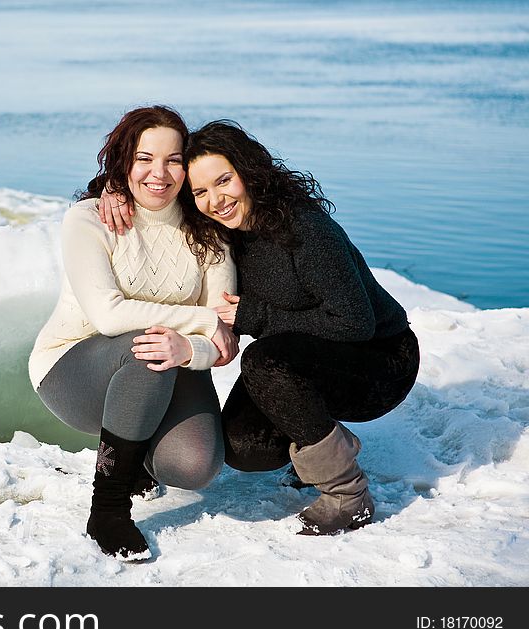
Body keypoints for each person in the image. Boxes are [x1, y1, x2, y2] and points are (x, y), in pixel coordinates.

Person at [101, 119, 420, 536]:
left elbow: (356, 323)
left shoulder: (305, 231)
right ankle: (319, 437)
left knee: (264, 358)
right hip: (305, 359)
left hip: (380, 361)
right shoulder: (221, 234)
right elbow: (156, 190)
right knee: (243, 448)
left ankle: (348, 495)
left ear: (248, 172)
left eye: (224, 180)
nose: (216, 200)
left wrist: (256, 318)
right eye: (200, 191)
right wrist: (114, 188)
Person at [28, 106, 239, 560]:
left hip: (168, 362)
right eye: (144, 158)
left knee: (194, 466)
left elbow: (224, 345)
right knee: (147, 344)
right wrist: (202, 322)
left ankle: (137, 448)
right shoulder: (90, 219)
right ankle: (107, 509)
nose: (158, 174)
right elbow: (107, 316)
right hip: (73, 368)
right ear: (124, 161)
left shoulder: (211, 235)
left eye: (173, 160)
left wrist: (191, 350)